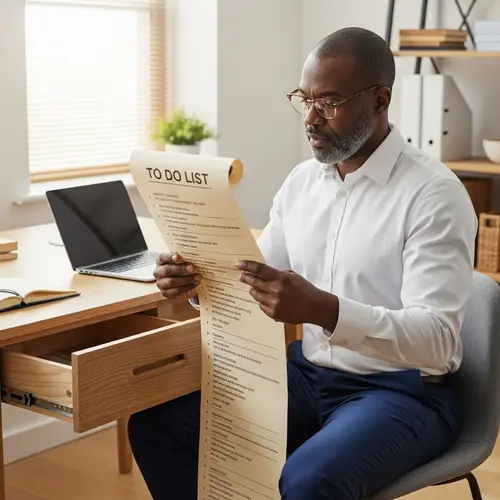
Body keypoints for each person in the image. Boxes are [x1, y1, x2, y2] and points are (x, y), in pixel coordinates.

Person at [128, 26, 477, 500]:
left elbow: (437, 343)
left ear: (379, 100)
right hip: (308, 375)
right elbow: (252, 282)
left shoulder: (434, 196)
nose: (311, 118)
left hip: (401, 391)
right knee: (157, 427)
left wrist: (325, 310)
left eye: (329, 102)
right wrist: (196, 284)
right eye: (304, 98)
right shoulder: (301, 183)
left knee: (309, 481)